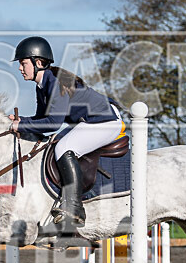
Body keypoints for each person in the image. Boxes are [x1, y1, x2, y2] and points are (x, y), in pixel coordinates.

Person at [8, 36, 123, 232]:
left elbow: (53, 123)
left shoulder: (55, 82)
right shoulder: (42, 85)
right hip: (90, 121)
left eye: (23, 63)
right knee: (58, 144)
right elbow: (41, 118)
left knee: (63, 147)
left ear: (38, 62)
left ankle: (74, 208)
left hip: (104, 122)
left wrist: (22, 126)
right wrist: (21, 121)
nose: (20, 68)